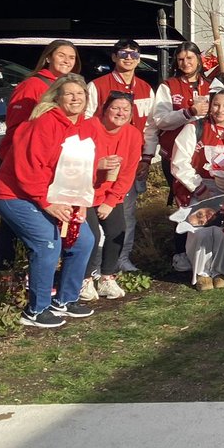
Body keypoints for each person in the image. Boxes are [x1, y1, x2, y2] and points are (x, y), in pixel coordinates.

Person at [0, 74, 96, 328]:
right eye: (69, 93)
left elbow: (86, 168)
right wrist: (47, 203)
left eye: (80, 93)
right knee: (47, 243)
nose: (75, 98)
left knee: (84, 241)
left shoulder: (86, 125)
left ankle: (66, 299)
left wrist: (81, 200)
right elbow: (27, 168)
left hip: (55, 195)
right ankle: (35, 310)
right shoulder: (43, 123)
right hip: (16, 194)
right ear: (57, 97)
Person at [0, 38, 80, 270]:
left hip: (49, 163)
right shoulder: (33, 85)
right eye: (61, 55)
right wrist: (26, 158)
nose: (67, 61)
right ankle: (6, 270)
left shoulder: (69, 87)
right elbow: (16, 127)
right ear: (48, 57)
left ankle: (36, 267)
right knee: (12, 223)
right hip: (19, 162)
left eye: (72, 57)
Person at [171, 84, 224, 289]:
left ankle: (220, 271)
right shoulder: (194, 128)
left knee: (223, 229)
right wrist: (199, 188)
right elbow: (179, 162)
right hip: (198, 186)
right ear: (210, 105)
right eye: (216, 105)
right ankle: (201, 272)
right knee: (200, 229)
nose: (221, 110)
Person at [86, 38, 155, 273]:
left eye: (134, 54)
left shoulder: (145, 88)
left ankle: (121, 259)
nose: (128, 58)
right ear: (114, 57)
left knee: (127, 213)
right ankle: (96, 264)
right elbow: (86, 124)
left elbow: (150, 127)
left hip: (133, 160)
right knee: (98, 215)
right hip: (102, 164)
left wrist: (147, 157)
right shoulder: (97, 86)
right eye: (123, 54)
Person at [79, 92, 145, 302]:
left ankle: (107, 277)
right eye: (115, 108)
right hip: (83, 191)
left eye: (126, 109)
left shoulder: (133, 135)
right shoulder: (89, 127)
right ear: (104, 109)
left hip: (110, 192)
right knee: (91, 237)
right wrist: (96, 164)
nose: (120, 113)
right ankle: (84, 279)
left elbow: (128, 172)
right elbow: (72, 162)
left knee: (117, 231)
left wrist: (111, 201)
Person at [146, 41, 211, 197]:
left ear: (198, 59)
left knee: (207, 200)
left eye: (189, 58)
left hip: (204, 155)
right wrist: (188, 113)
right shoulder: (168, 86)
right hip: (174, 154)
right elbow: (160, 120)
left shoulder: (211, 86)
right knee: (183, 200)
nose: (185, 63)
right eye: (181, 59)